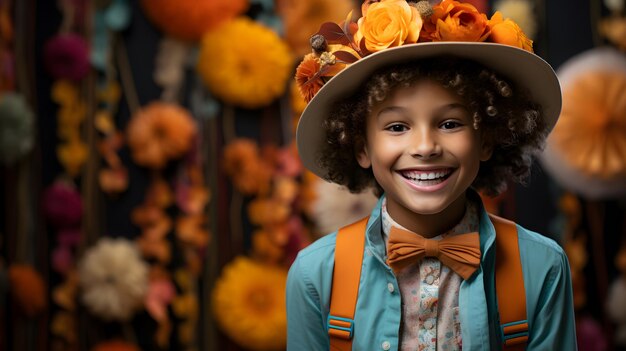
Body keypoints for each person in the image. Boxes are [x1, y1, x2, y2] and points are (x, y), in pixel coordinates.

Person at [287, 0, 577, 350]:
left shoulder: (541, 267)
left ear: (486, 139)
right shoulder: (317, 275)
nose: (425, 147)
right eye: (397, 126)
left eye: (450, 123)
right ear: (361, 146)